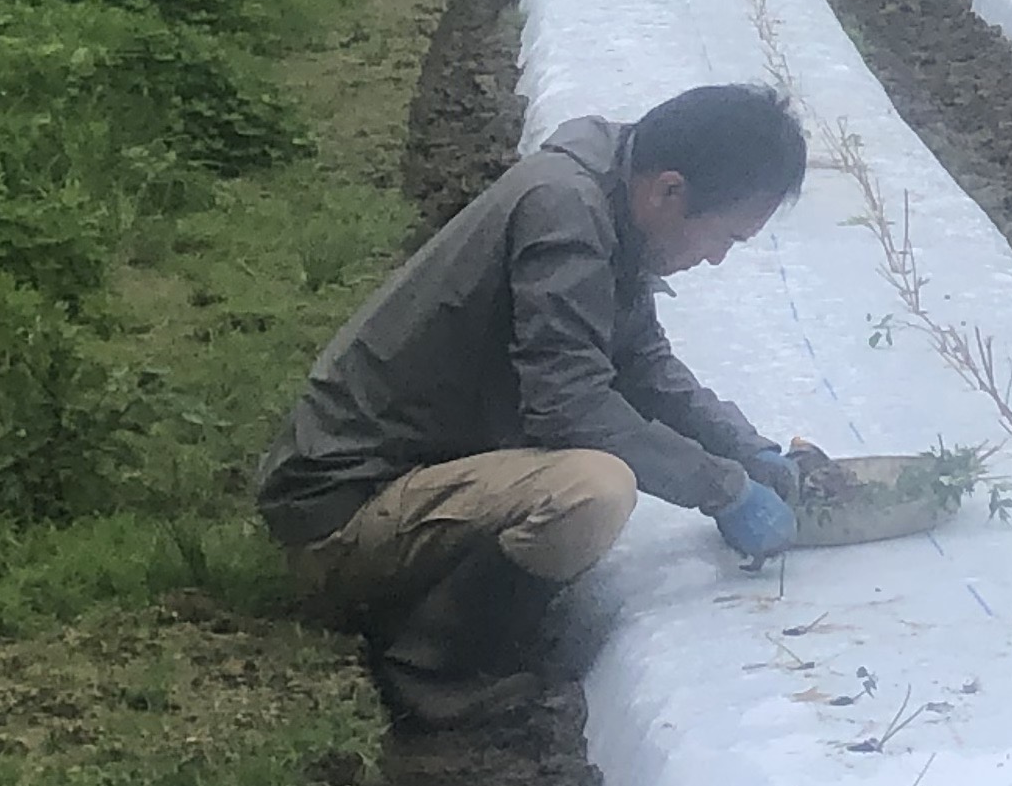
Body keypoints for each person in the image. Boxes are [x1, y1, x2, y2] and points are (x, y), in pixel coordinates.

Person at [256, 81, 815, 725]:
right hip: (339, 511)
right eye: (725, 237)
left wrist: (745, 448)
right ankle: (426, 664)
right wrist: (723, 488)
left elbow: (642, 364)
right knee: (592, 489)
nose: (715, 258)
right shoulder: (565, 212)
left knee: (595, 472)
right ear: (670, 189)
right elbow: (570, 405)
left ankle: (453, 623)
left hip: (399, 479)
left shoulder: (607, 195)